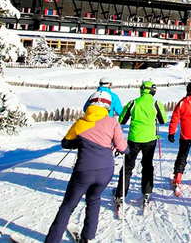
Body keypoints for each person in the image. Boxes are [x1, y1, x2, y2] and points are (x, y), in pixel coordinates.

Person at [45, 91, 128, 243]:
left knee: (69, 204)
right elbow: (123, 148)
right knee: (94, 199)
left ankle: (52, 240)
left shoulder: (80, 122)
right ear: (107, 106)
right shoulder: (112, 122)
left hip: (84, 170)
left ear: (90, 104)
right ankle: (87, 237)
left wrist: (81, 142)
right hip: (106, 171)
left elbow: (66, 143)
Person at [114, 80, 168, 205]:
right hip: (150, 139)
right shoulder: (156, 103)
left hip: (134, 138)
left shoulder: (133, 102)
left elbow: (122, 119)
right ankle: (147, 192)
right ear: (152, 91)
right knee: (147, 165)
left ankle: (120, 195)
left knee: (127, 166)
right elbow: (163, 120)